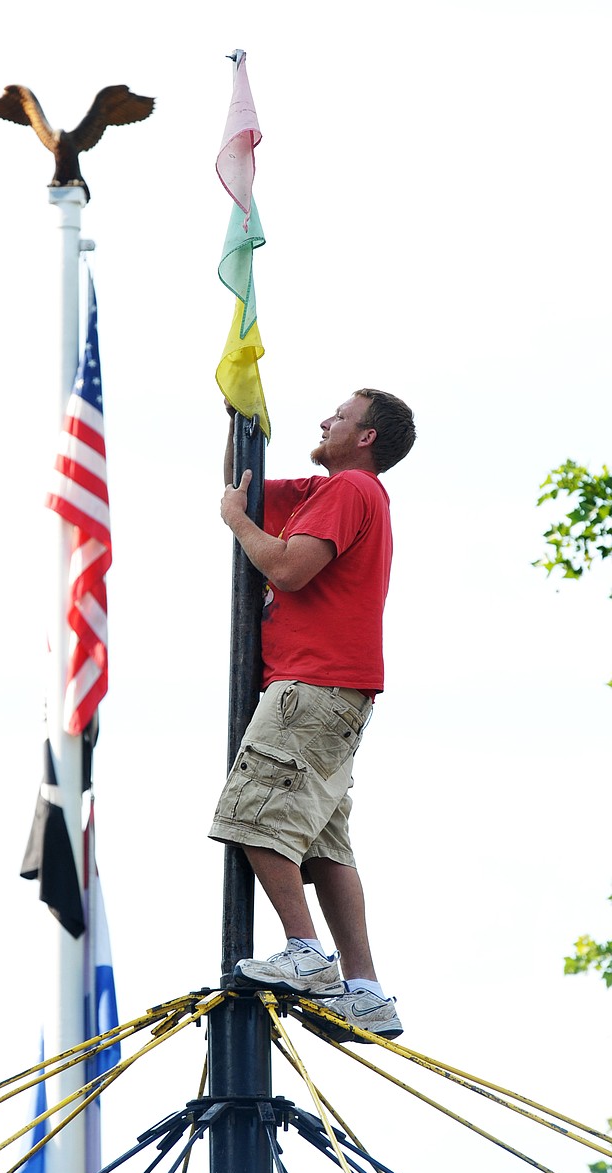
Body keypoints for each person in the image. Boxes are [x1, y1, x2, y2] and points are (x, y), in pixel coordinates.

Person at [209, 388, 415, 1042]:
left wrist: (239, 525)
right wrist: (238, 417)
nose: (325, 420)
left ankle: (307, 952)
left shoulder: (351, 489)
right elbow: (238, 481)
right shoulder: (318, 490)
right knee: (324, 843)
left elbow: (290, 568)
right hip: (340, 691)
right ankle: (364, 989)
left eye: (341, 416)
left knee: (252, 813)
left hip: (313, 683)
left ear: (366, 438)